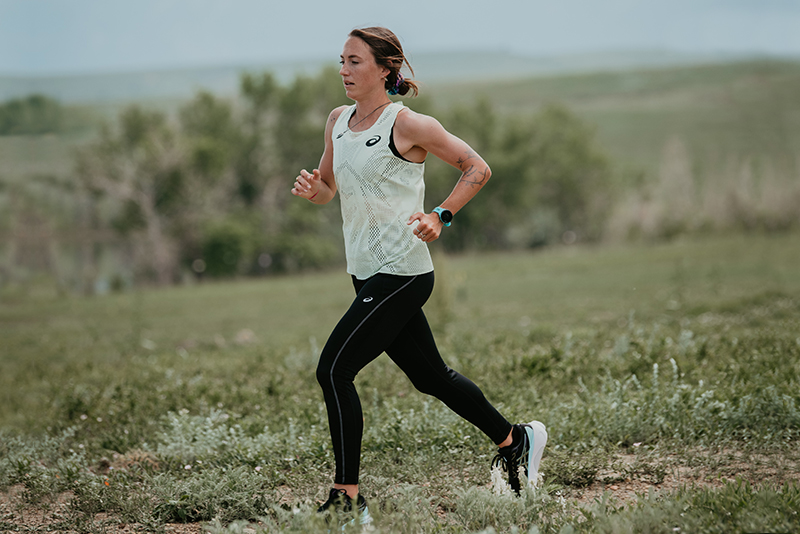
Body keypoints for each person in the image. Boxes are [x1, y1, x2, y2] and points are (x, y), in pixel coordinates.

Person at [291, 26, 547, 524]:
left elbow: (477, 168)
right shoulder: (337, 122)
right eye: (341, 61)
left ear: (386, 68)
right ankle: (517, 440)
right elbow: (328, 188)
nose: (343, 70)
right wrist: (312, 191)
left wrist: (440, 215)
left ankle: (347, 499)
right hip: (365, 275)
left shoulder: (408, 125)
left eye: (355, 61)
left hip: (403, 272)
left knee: (334, 370)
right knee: (431, 377)